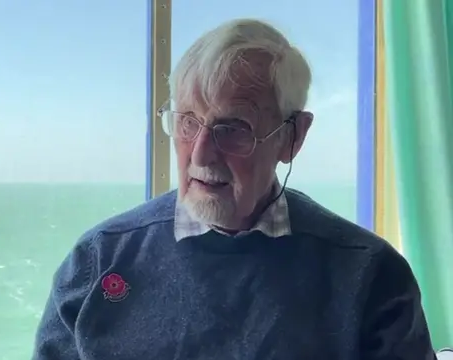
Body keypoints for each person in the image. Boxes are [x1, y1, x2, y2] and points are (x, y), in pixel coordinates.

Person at [32, 19, 437, 359]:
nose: (201, 154)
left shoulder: (369, 276)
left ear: (292, 137)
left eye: (233, 128)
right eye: (188, 122)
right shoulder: (99, 260)